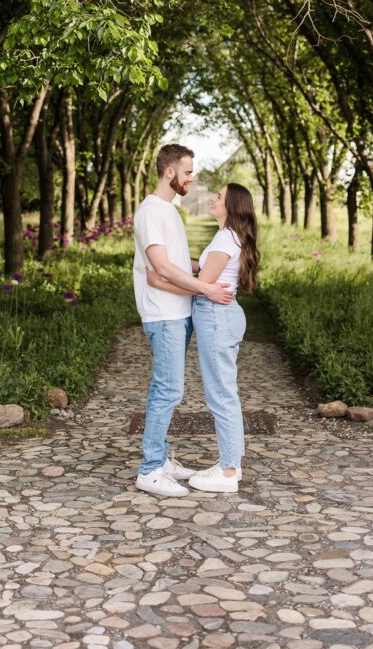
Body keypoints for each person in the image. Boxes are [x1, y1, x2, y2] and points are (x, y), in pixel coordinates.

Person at [133, 144, 232, 498]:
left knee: (171, 388)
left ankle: (161, 459)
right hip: (164, 315)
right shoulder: (150, 212)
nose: (194, 178)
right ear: (170, 172)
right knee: (168, 389)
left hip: (179, 312)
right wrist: (205, 287)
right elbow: (159, 268)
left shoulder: (169, 210)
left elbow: (174, 262)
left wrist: (206, 268)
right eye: (189, 171)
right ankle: (150, 470)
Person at [147, 182, 260, 493]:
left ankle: (227, 471)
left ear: (232, 206)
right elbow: (205, 268)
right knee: (224, 392)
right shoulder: (227, 237)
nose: (213, 198)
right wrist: (177, 265)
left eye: (219, 196)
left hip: (215, 317)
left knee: (221, 395)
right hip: (220, 316)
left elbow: (203, 284)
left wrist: (161, 282)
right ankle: (231, 465)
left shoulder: (226, 237)